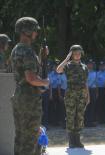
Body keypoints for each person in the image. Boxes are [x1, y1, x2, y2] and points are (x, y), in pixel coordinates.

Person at [10, 17, 49, 155]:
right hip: (29, 100)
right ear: (27, 31)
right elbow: (31, 78)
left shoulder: (16, 49)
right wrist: (45, 82)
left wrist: (40, 56)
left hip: (20, 97)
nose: (36, 34)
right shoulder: (27, 51)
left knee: (21, 137)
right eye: (34, 30)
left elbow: (25, 74)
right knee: (31, 139)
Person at [57, 45, 89, 148]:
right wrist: (66, 59)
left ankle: (77, 140)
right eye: (75, 53)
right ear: (71, 54)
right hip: (71, 94)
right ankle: (71, 141)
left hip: (82, 95)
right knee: (71, 116)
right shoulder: (68, 65)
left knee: (79, 116)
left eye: (79, 53)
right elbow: (58, 70)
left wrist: (88, 95)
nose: (77, 55)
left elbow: (86, 82)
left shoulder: (84, 67)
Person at [85, 58, 98, 127]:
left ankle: (90, 121)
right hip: (86, 90)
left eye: (91, 64)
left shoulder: (95, 73)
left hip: (93, 90)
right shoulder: (85, 72)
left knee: (92, 106)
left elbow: (96, 83)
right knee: (86, 107)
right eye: (89, 64)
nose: (90, 65)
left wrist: (97, 92)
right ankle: (85, 122)